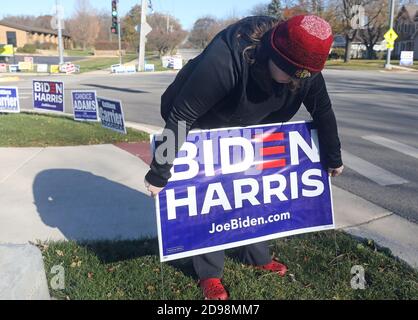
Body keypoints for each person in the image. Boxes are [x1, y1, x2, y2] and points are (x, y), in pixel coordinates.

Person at [144, 14, 344, 300]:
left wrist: (333, 157)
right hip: (204, 117)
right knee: (210, 194)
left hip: (251, 126)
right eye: (291, 74)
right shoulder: (227, 58)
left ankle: (256, 255)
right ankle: (210, 273)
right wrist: (159, 172)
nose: (296, 83)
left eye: (305, 77)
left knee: (255, 190)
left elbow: (322, 111)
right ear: (273, 55)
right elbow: (182, 115)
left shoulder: (305, 70)